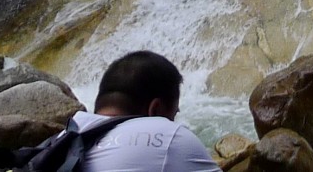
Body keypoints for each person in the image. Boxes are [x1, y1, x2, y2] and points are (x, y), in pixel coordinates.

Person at [65, 51, 221, 172]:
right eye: (173, 115)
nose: (172, 122)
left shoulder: (66, 136)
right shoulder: (167, 137)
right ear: (155, 109)